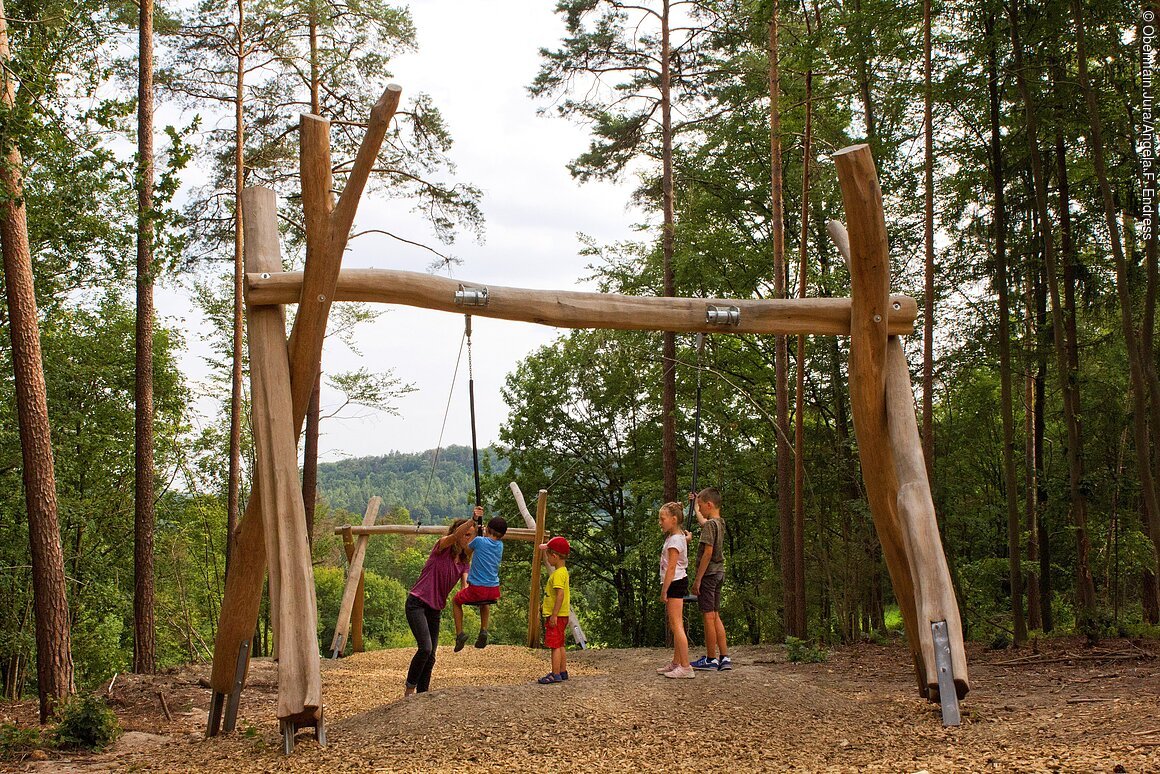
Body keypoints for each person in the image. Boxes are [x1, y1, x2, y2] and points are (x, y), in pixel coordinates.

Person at [403, 509, 478, 697]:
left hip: (434, 609)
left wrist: (477, 592)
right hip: (417, 603)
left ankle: (423, 693)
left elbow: (464, 585)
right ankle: (409, 690)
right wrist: (472, 520)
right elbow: (454, 536)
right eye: (466, 534)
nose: (468, 538)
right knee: (425, 648)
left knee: (431, 656)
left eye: (472, 535)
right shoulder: (441, 548)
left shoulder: (463, 562)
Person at [688, 487, 732, 672]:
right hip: (719, 572)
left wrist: (697, 579)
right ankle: (724, 656)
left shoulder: (709, 526)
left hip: (709, 575)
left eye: (700, 506)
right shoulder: (719, 523)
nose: (700, 509)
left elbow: (708, 552)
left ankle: (711, 659)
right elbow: (703, 521)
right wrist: (696, 503)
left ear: (709, 504)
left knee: (708, 616)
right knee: (715, 615)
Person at [452, 514, 508, 651]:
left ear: (487, 529)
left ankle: (460, 634)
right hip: (493, 589)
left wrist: (476, 535)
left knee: (456, 601)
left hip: (477, 588)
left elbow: (467, 550)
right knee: (485, 602)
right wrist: (482, 534)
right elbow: (488, 545)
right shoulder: (500, 545)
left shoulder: (478, 541)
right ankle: (483, 629)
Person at [656, 501, 694, 679]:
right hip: (677, 582)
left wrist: (664, 590)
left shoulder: (674, 541)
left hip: (675, 583)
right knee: (675, 624)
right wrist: (687, 538)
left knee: (677, 625)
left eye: (662, 519)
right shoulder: (677, 537)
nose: (660, 522)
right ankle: (677, 662)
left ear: (673, 519)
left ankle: (686, 667)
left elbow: (671, 568)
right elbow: (682, 541)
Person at [537, 536, 572, 684]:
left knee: (554, 646)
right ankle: (563, 671)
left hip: (556, 615)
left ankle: (555, 674)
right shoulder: (564, 571)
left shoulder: (557, 574)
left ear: (555, 556)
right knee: (560, 644)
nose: (547, 559)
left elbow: (560, 595)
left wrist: (554, 615)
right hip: (563, 615)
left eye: (547, 555)